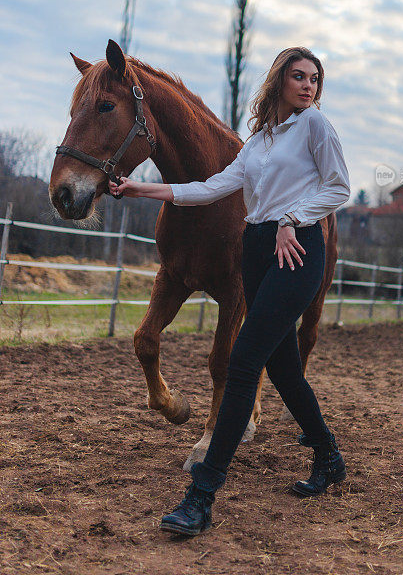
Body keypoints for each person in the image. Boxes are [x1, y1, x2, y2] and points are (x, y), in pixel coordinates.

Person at [110, 47, 351, 537]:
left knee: (242, 364)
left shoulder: (316, 128)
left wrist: (292, 218)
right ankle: (328, 455)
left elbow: (339, 187)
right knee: (283, 371)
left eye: (315, 79)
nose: (308, 86)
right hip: (258, 248)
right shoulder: (260, 142)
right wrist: (142, 190)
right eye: (299, 76)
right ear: (280, 81)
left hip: (298, 249)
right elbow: (213, 186)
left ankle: (200, 496)